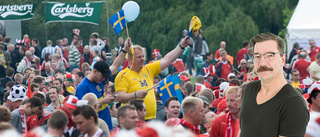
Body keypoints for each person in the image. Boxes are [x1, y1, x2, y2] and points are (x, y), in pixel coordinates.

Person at [240, 32, 309, 136]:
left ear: (282, 59)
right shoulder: (249, 89)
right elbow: (243, 131)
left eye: (269, 55)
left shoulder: (293, 103)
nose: (262, 63)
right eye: (257, 56)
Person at [115, 36, 190, 121]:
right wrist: (135, 94)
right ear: (130, 59)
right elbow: (120, 97)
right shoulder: (123, 75)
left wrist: (181, 46)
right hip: (133, 121)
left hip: (152, 119)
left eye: (143, 56)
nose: (142, 59)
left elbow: (167, 60)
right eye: (139, 57)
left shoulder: (147, 69)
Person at [76, 38, 131, 131]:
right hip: (94, 130)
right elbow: (82, 112)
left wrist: (125, 50)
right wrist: (103, 101)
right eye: (102, 76)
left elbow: (114, 66)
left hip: (106, 127)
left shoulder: (99, 79)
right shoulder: (83, 87)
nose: (104, 79)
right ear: (95, 71)